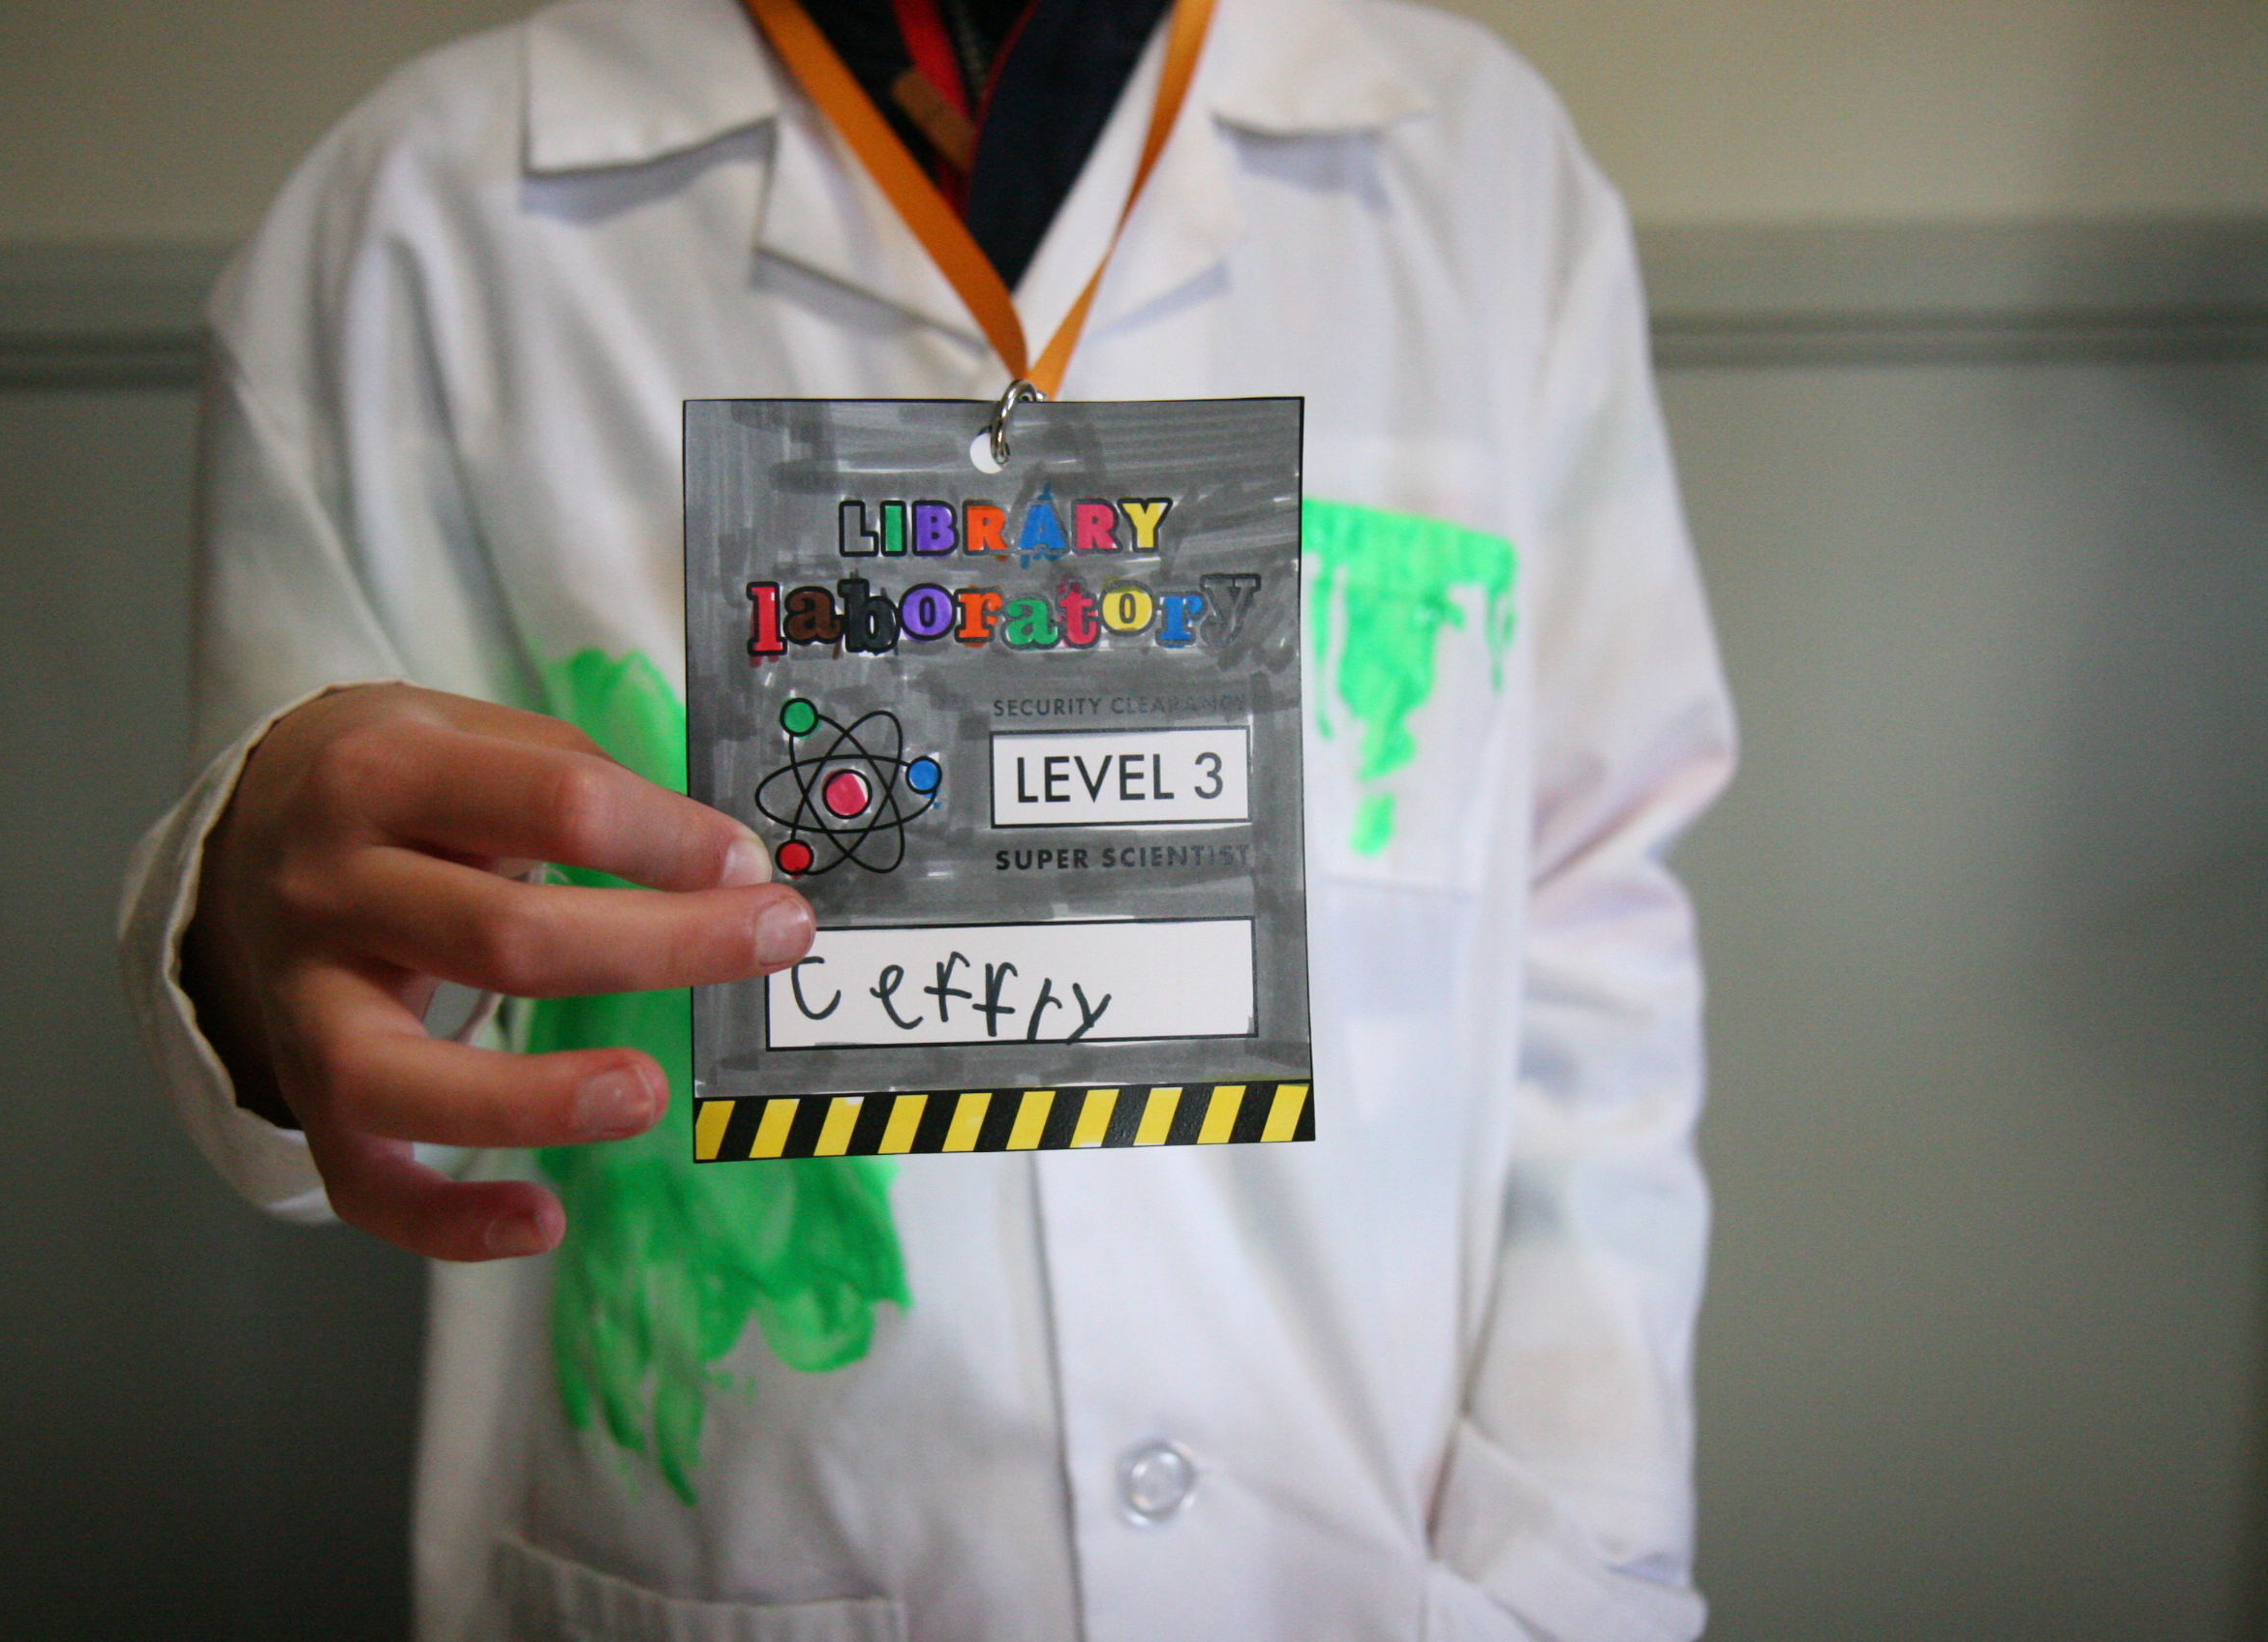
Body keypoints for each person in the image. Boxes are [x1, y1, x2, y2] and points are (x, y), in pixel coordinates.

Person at [119, 0, 1736, 1636]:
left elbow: (1588, 921)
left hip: (1382, 1566)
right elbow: (348, 1030)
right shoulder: (415, 224)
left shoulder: (1477, 167)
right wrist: (261, 970)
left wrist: (1583, 1550)